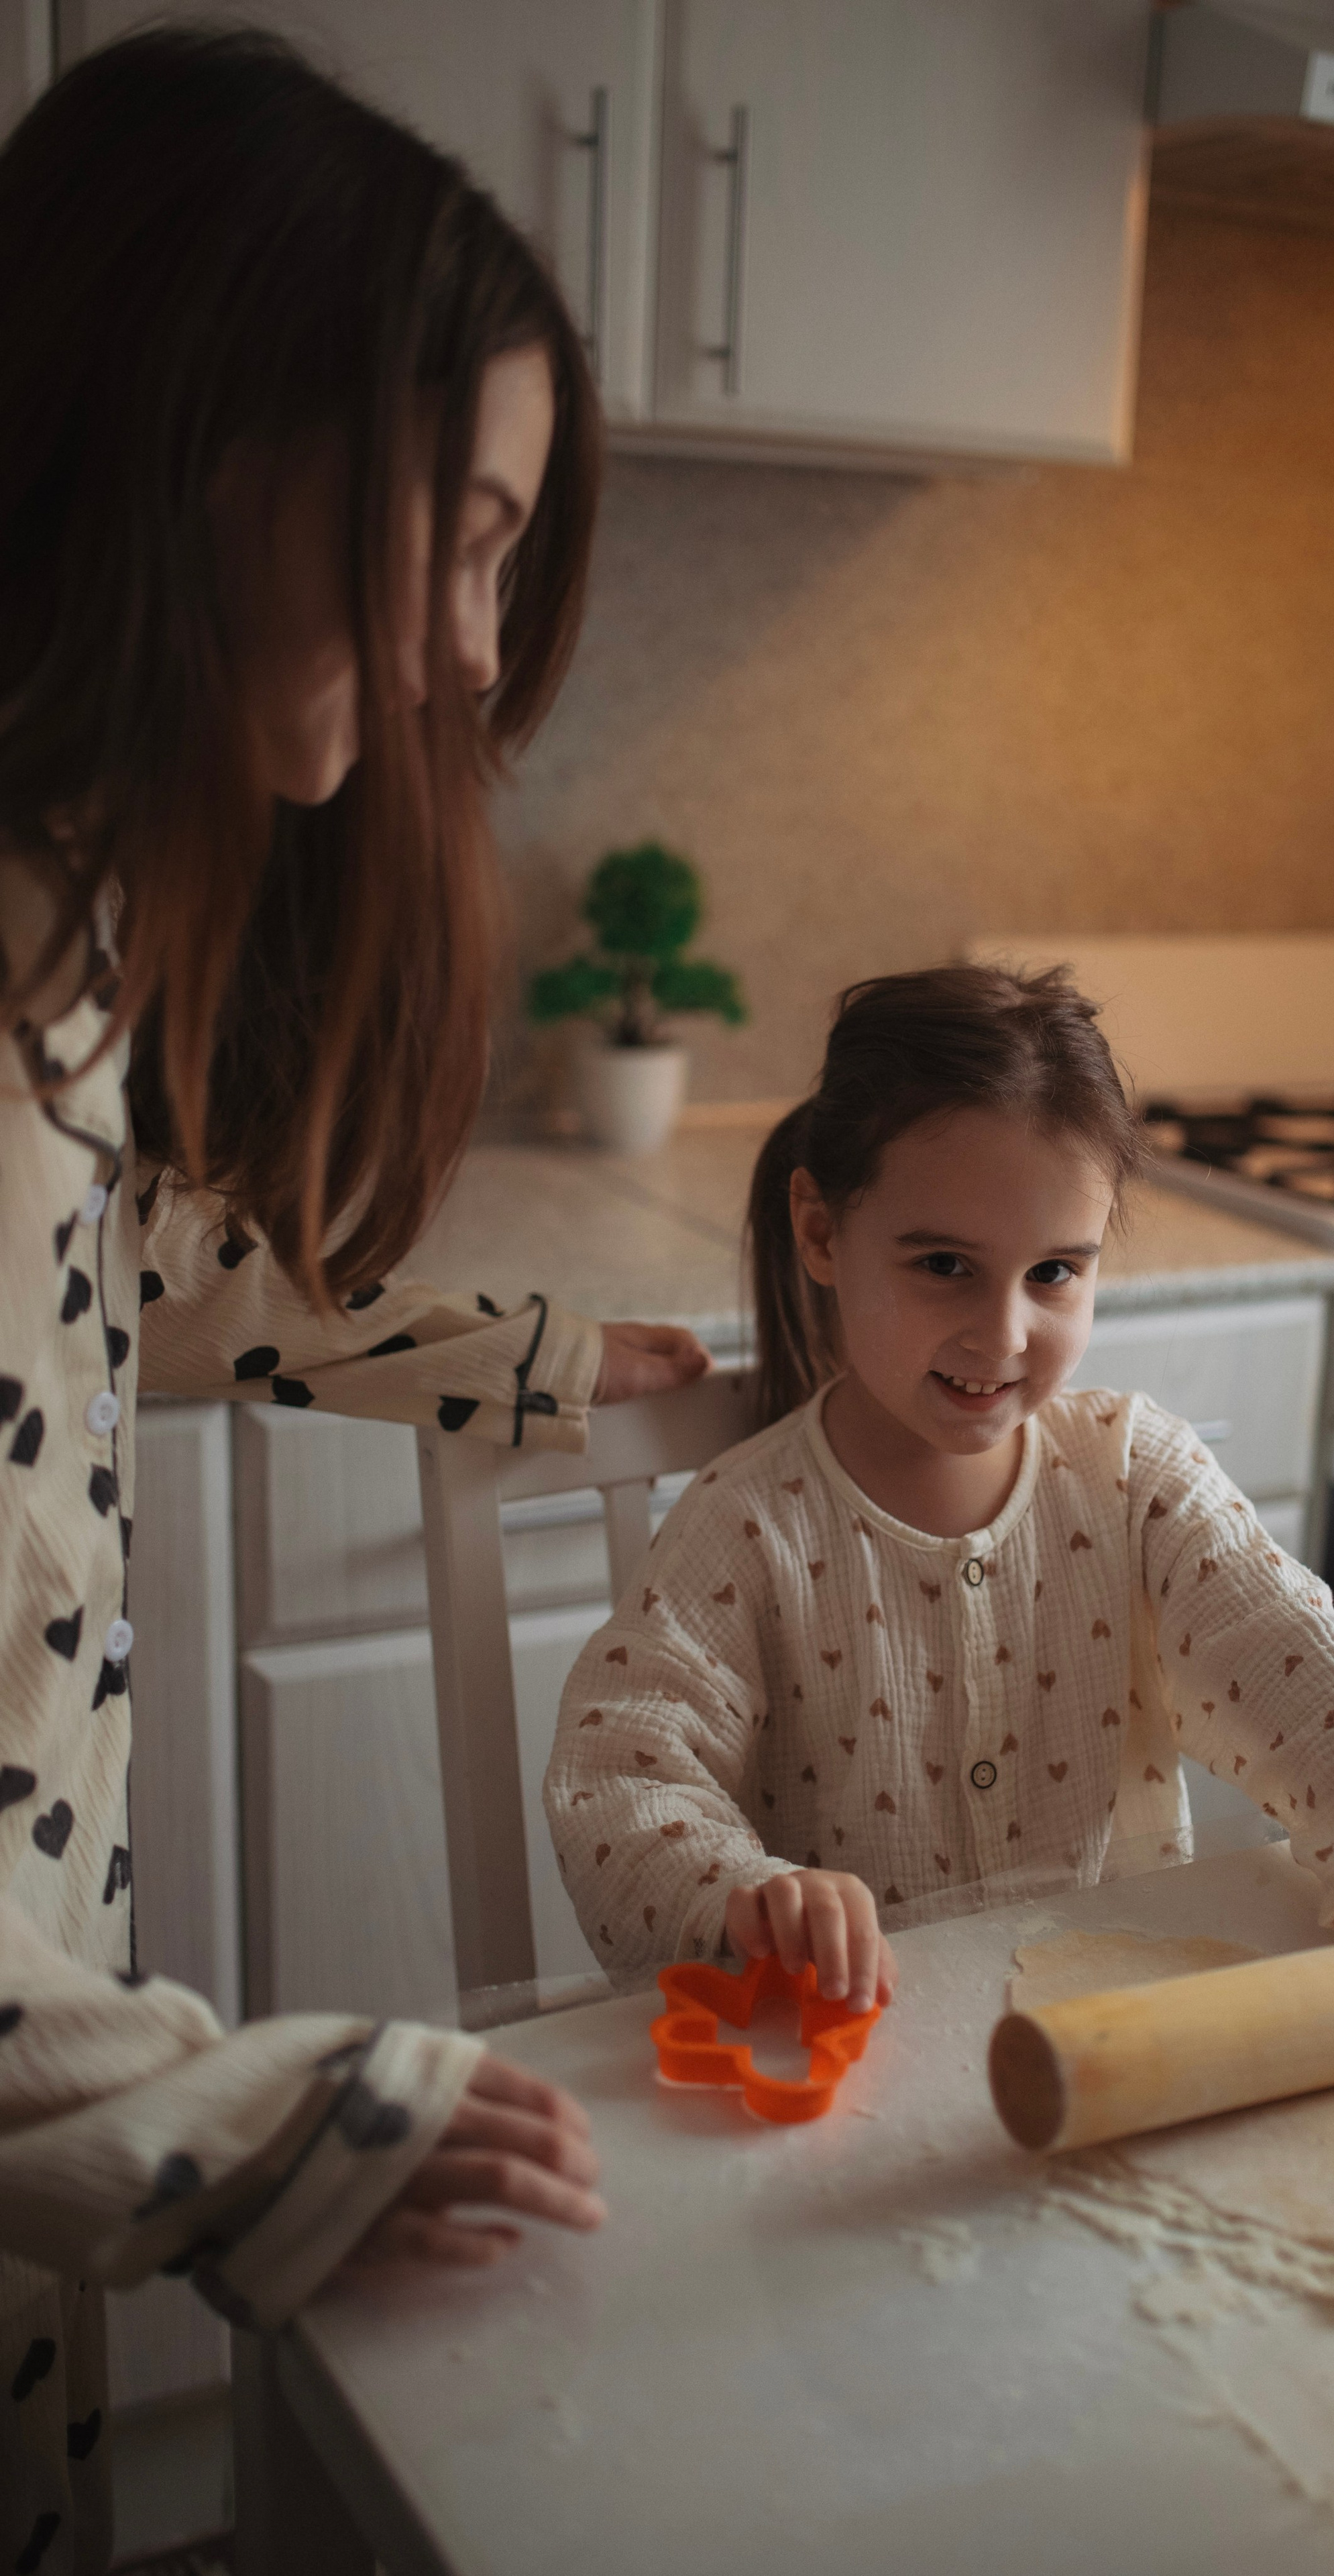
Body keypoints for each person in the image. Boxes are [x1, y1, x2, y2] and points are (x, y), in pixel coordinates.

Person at [0, 27, 708, 2571]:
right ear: (210, 435)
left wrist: (500, 1362)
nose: (468, 652)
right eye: (471, 531)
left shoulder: (51, 957)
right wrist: (274, 2129)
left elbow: (135, 1292)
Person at [545, 965, 1334, 2029]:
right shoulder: (744, 1524)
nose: (1003, 1334)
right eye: (947, 1265)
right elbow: (620, 1772)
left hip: (1122, 2040)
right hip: (868, 2065)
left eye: (1054, 1273)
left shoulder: (1135, 1473)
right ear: (822, 1234)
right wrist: (743, 1898)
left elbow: (1295, 1664)